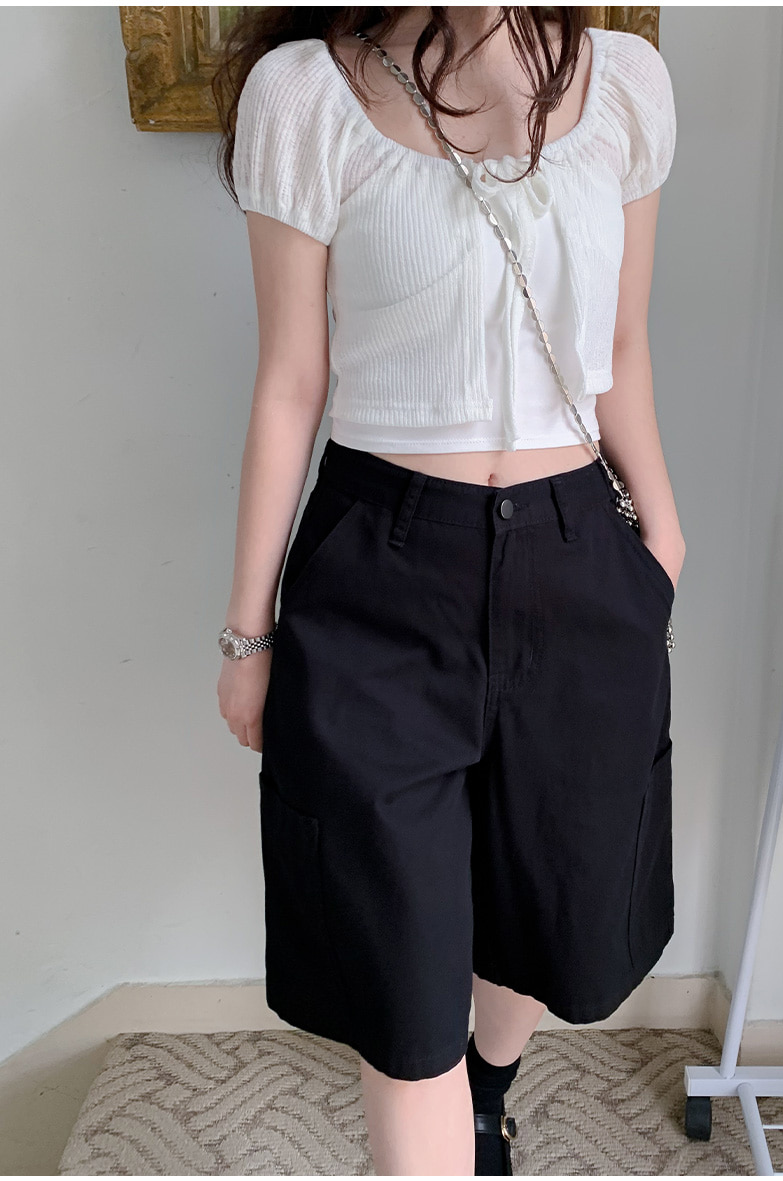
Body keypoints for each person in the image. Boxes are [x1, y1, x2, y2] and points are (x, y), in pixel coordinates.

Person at [214, 6, 683, 1175]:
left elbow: (624, 345)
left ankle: (489, 1094)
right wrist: (247, 632)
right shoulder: (306, 94)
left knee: (550, 896)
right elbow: (290, 379)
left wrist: (662, 539)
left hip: (580, 557)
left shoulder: (625, 84)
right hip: (381, 565)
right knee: (396, 955)